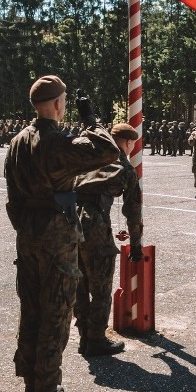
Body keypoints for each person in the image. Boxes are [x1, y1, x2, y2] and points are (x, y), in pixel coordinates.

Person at [5, 77, 121, 392]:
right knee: (56, 314)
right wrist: (90, 120)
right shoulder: (53, 142)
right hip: (56, 241)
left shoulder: (18, 141)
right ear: (58, 104)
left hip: (28, 238)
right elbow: (108, 150)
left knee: (31, 311)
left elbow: (12, 198)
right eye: (65, 100)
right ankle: (46, 390)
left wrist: (27, 227)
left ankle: (33, 382)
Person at [73, 123, 143, 357]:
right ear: (129, 143)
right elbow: (133, 211)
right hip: (94, 226)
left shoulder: (87, 159)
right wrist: (135, 244)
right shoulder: (124, 167)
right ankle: (96, 340)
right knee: (101, 287)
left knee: (79, 283)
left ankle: (83, 336)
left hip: (69, 222)